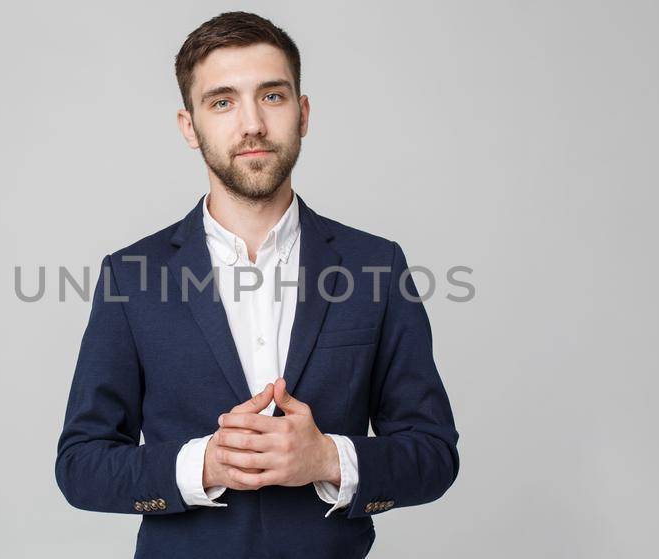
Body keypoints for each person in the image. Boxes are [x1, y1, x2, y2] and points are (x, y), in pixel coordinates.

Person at [54, 11, 460, 558]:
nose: (252, 124)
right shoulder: (130, 276)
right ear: (189, 127)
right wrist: (205, 464)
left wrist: (328, 460)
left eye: (272, 96)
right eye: (222, 102)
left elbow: (434, 454)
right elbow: (80, 465)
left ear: (303, 112)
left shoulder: (378, 267)